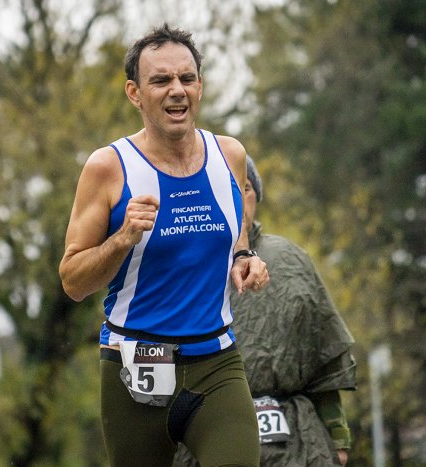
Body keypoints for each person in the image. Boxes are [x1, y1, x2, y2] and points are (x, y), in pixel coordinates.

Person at [58, 24, 270, 467]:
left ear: (199, 86)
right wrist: (122, 239)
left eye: (186, 78)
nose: (177, 90)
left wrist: (243, 255)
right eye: (161, 80)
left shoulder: (229, 155)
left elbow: (234, 226)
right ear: (134, 93)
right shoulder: (108, 168)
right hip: (135, 365)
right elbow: (73, 281)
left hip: (216, 362)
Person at [174, 156, 357, 466]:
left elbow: (323, 358)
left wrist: (338, 438)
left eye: (244, 188)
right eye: (224, 188)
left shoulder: (291, 260)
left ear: (256, 196)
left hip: (296, 439)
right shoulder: (182, 265)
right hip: (208, 430)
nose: (235, 197)